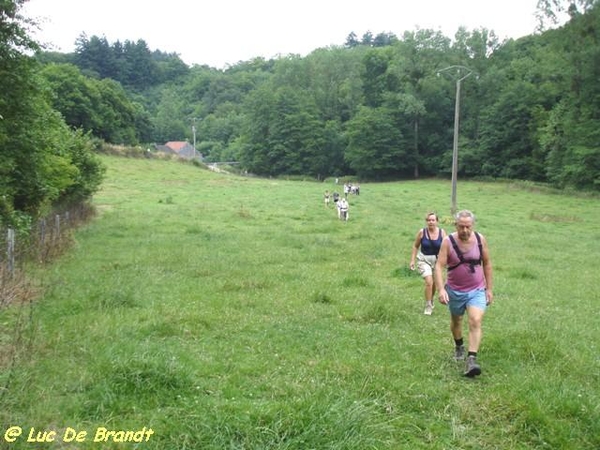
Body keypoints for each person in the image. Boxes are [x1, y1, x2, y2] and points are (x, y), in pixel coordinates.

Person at [434, 210, 494, 378]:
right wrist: (441, 289)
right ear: (456, 225)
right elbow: (439, 266)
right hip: (455, 290)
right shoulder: (448, 241)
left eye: (468, 227)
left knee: (475, 319)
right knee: (456, 320)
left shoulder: (480, 240)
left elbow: (487, 264)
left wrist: (489, 289)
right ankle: (459, 345)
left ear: (472, 225)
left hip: (477, 290)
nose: (465, 230)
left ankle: (471, 359)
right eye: (461, 227)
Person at [410, 212, 446, 315]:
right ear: (426, 222)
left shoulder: (442, 233)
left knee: (435, 283)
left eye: (433, 220)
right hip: (423, 260)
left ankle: (431, 299)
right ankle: (428, 306)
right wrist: (412, 260)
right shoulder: (422, 232)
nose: (431, 222)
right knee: (429, 282)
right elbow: (415, 246)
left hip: (437, 261)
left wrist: (447, 261)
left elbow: (446, 248)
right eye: (429, 220)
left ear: (437, 221)